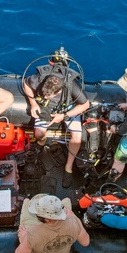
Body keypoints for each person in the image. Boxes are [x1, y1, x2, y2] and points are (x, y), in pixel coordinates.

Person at [22, 60, 90, 188]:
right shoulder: (38, 79)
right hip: (47, 108)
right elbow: (26, 83)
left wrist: (64, 116)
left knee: (77, 138)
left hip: (67, 110)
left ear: (58, 91)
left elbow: (85, 105)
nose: (45, 96)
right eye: (44, 93)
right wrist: (34, 104)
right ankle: (42, 142)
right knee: (38, 133)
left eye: (49, 95)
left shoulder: (72, 85)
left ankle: (68, 168)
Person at [14, 194, 90, 253]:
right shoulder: (74, 221)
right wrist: (73, 216)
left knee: (27, 201)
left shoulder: (31, 233)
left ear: (47, 219)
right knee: (67, 200)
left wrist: (24, 237)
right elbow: (85, 242)